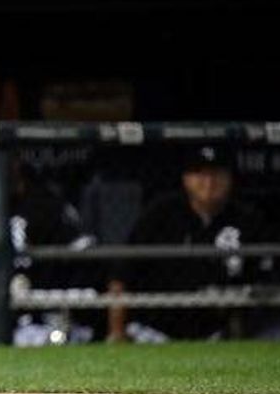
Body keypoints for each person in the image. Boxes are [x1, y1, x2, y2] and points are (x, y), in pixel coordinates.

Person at [106, 145, 270, 342]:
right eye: (200, 174)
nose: (209, 183)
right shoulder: (161, 214)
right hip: (153, 330)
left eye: (217, 174)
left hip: (215, 334)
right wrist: (117, 331)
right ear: (186, 178)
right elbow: (121, 276)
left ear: (230, 178)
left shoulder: (246, 219)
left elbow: (262, 283)